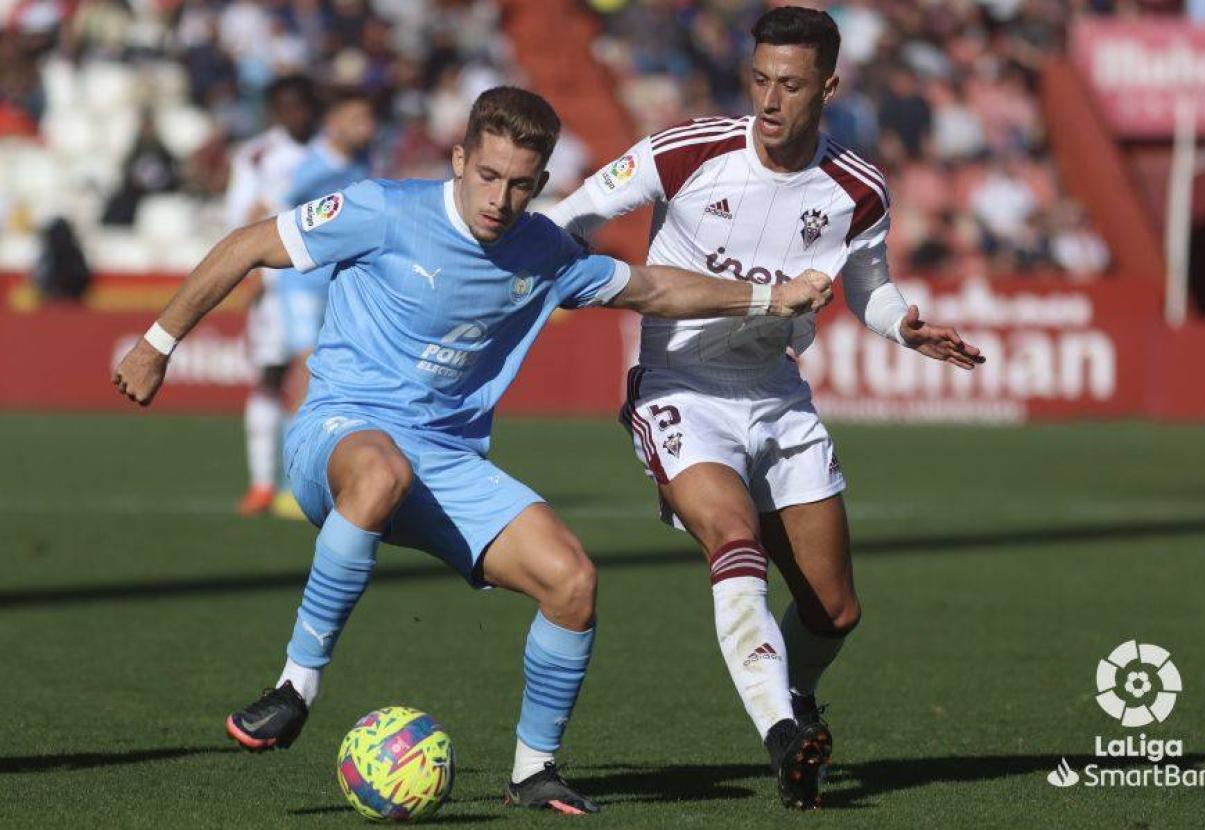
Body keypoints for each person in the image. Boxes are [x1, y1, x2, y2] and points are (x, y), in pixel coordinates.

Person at [111, 86, 834, 814]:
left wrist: (770, 300)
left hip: (446, 461)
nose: (500, 198)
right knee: (381, 471)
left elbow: (650, 288)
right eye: (487, 176)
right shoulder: (382, 210)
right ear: (458, 159)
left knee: (572, 582)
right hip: (339, 431)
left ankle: (533, 769)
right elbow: (246, 245)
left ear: (542, 184)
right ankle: (295, 686)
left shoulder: (545, 251)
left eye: (521, 184)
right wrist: (157, 343)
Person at [546, 6, 985, 810]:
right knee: (733, 535)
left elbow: (869, 286)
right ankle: (784, 736)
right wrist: (533, 269)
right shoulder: (689, 152)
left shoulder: (857, 188)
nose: (770, 100)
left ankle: (799, 698)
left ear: (829, 85)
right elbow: (570, 214)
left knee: (835, 610)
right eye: (759, 81)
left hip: (776, 398)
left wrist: (904, 325)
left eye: (789, 84)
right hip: (679, 389)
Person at [269, 90, 378, 519]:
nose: (366, 127)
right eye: (357, 118)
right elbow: (270, 211)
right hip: (300, 283)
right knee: (302, 370)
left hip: (338, 284)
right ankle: (287, 482)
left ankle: (330, 473)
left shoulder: (358, 163)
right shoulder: (309, 167)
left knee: (337, 376)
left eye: (369, 118)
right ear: (333, 122)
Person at [226, 74, 318, 517]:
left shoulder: (331, 153)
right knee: (269, 375)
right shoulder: (257, 154)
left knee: (313, 381)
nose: (296, 114)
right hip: (275, 282)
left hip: (322, 282)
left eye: (302, 105)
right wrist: (249, 273)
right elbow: (241, 219)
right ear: (275, 111)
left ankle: (298, 484)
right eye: (287, 106)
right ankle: (263, 483)